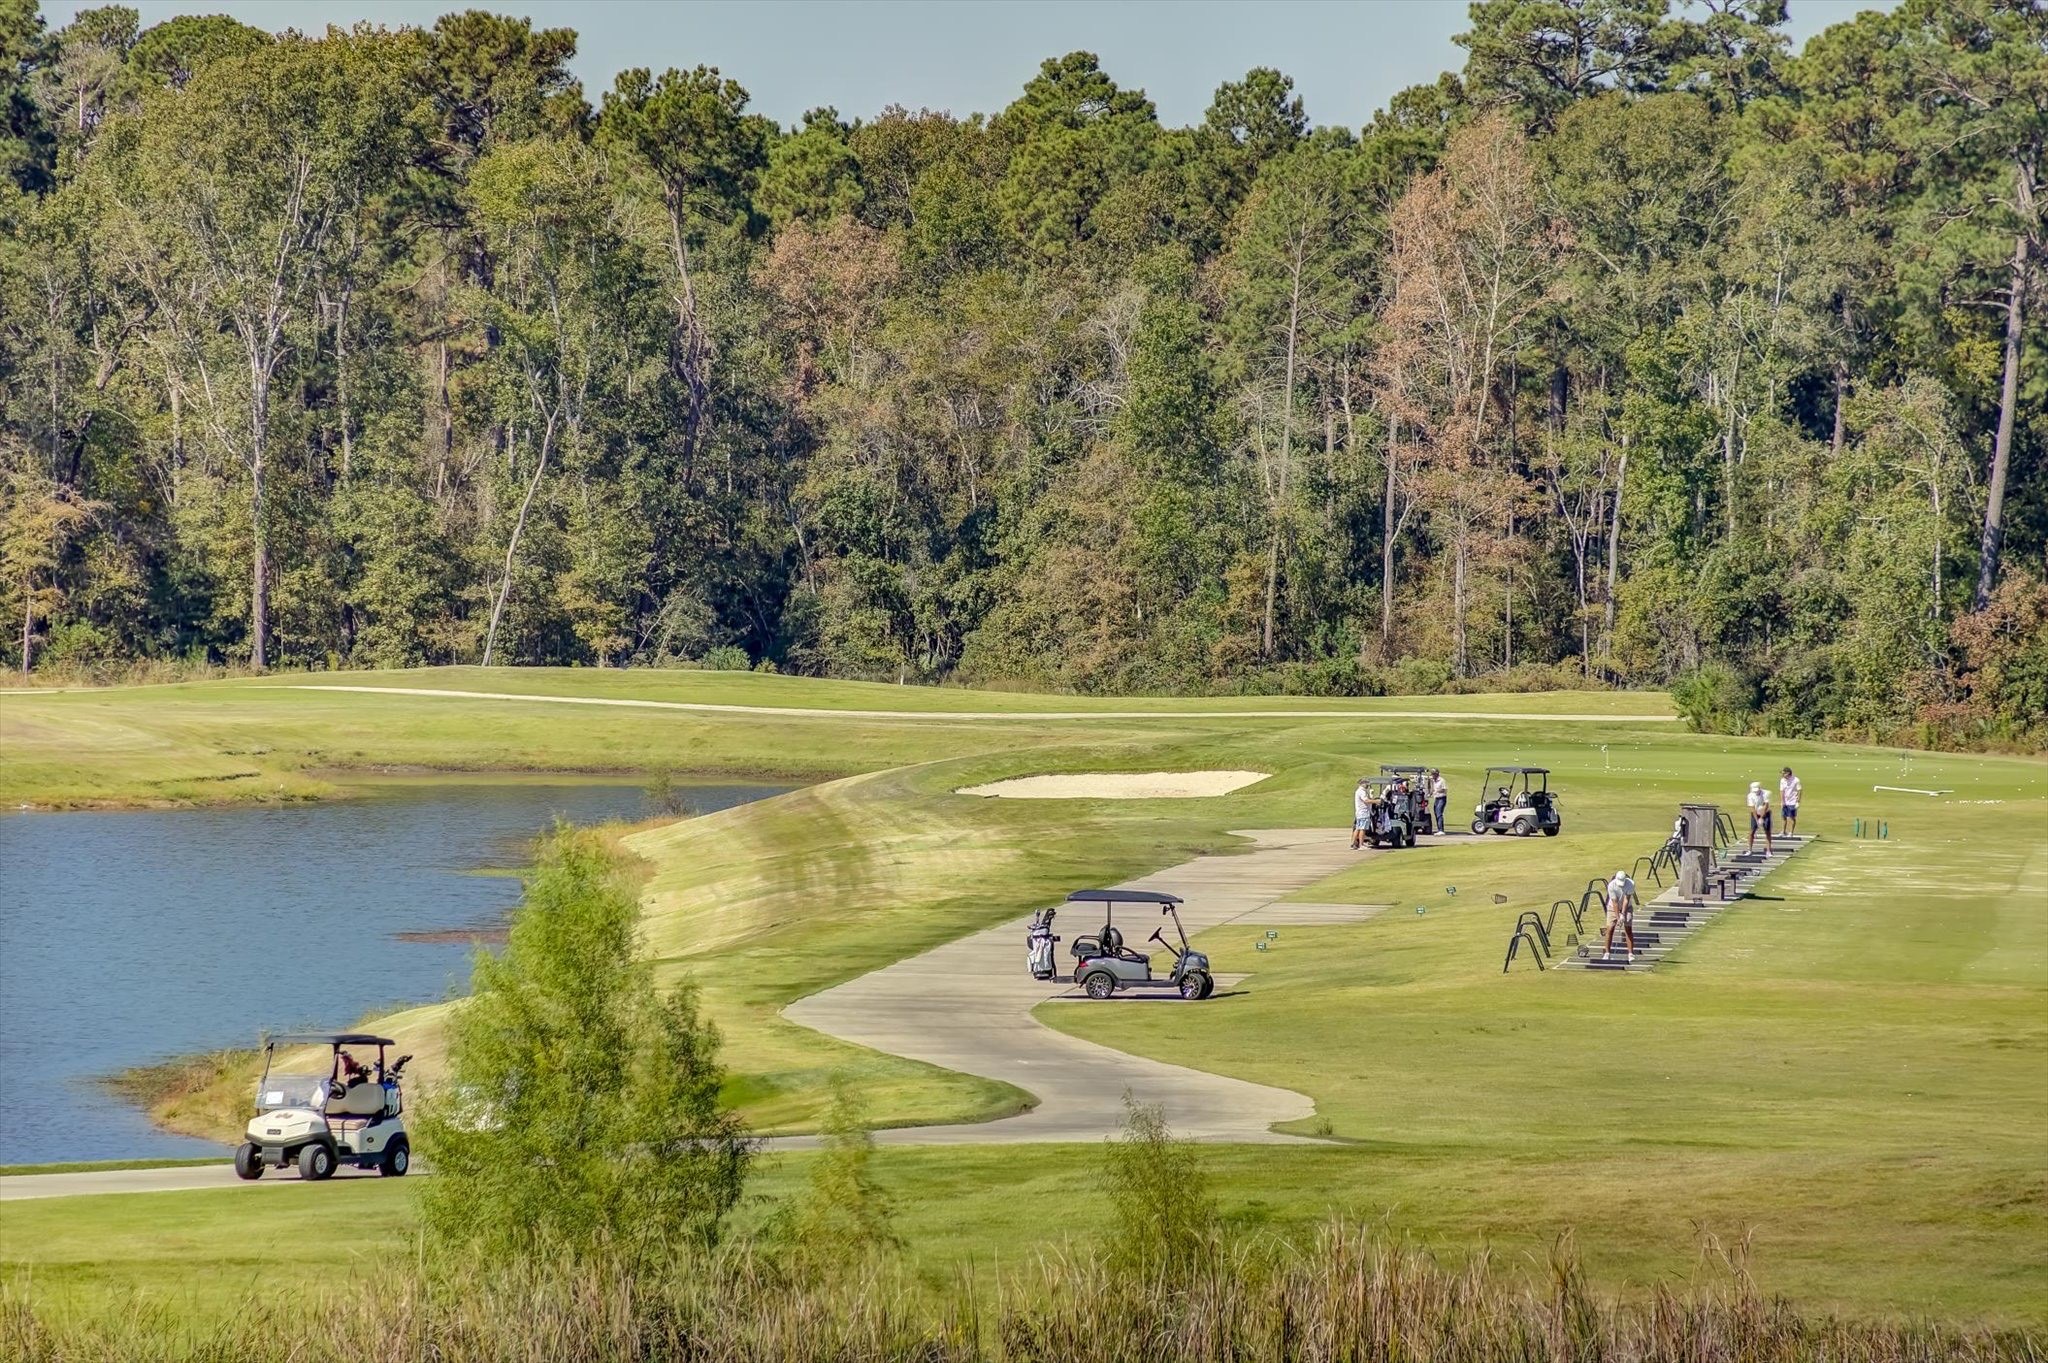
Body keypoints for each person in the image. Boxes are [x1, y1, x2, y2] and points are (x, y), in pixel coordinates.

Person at [1602, 869, 1637, 963]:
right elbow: (1615, 903)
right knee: (1610, 929)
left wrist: (1623, 914)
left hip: (1627, 907)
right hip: (1612, 908)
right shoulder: (1611, 885)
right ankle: (1607, 953)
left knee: (1628, 929)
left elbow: (1626, 900)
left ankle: (1630, 954)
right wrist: (1618, 918)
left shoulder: (1630, 884)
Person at [1746, 780, 1774, 853]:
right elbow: (1752, 808)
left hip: (1766, 813)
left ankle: (1768, 850)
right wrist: (1757, 820)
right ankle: (1749, 850)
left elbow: (1766, 805)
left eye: (1757, 790)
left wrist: (1761, 818)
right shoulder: (1750, 795)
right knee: (1751, 832)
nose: (1756, 792)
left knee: (1767, 832)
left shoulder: (1766, 793)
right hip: (1755, 813)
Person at [1779, 766, 1801, 836]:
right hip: (1785, 801)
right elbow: (1782, 791)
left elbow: (1799, 790)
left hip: (1793, 801)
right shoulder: (1782, 780)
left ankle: (1791, 832)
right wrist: (1782, 801)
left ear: (1788, 773)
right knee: (1783, 817)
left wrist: (1798, 801)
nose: (1782, 775)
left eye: (1783, 773)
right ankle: (1783, 831)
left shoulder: (1796, 780)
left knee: (1792, 817)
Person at [1352, 778, 1371, 850]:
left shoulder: (1358, 791)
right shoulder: (1362, 791)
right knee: (1362, 829)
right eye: (1367, 783)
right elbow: (1366, 800)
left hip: (1359, 812)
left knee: (1358, 828)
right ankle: (1361, 845)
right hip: (1363, 812)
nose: (1368, 785)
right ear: (1363, 783)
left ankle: (1353, 844)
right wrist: (1376, 801)